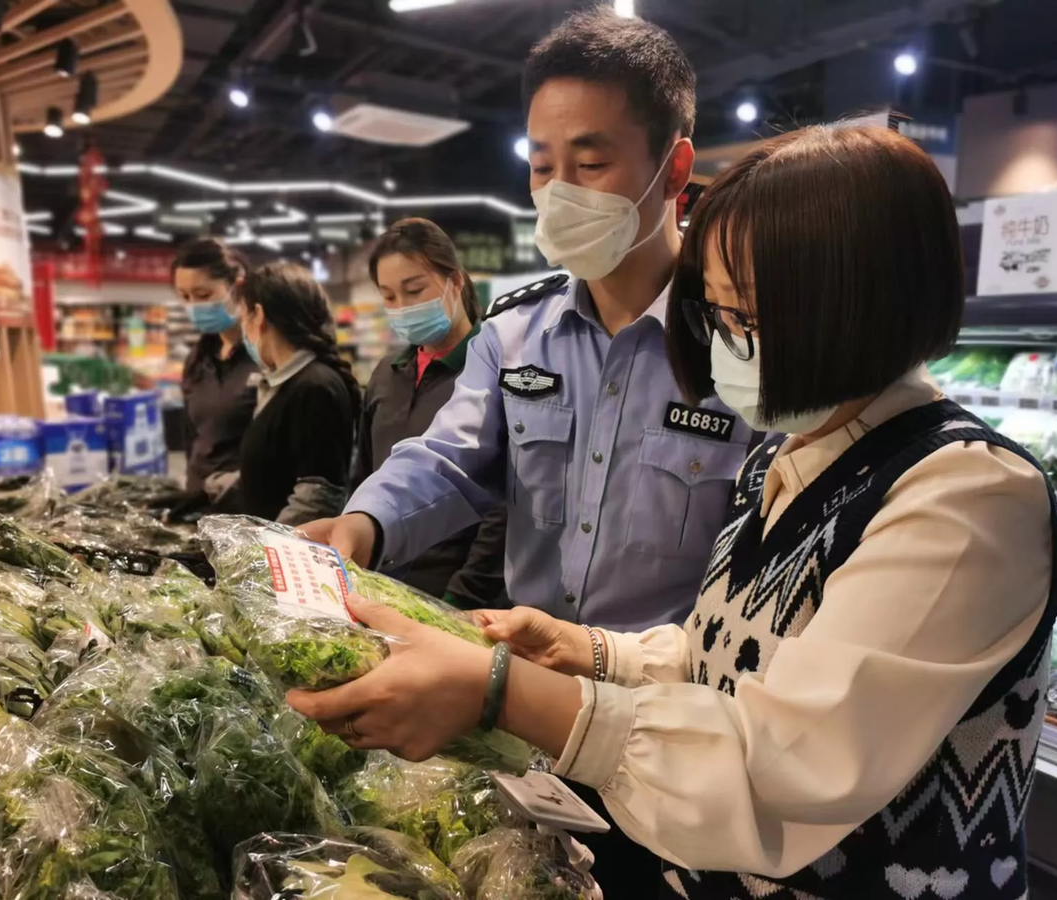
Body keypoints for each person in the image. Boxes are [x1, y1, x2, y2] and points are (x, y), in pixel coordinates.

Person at [288, 124, 1057, 900]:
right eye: (717, 316)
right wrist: (588, 652)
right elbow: (727, 657)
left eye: (748, 320)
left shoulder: (965, 498)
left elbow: (780, 766)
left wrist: (502, 691)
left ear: (865, 306)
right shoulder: (790, 451)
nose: (726, 346)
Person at [302, 12, 752, 895]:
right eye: (542, 165)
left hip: (678, 739)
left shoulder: (742, 340)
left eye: (590, 163)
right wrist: (361, 524)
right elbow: (451, 460)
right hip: (522, 721)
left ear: (676, 167)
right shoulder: (520, 332)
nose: (559, 190)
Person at [360, 218, 508, 610]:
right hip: (381, 586)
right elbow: (364, 474)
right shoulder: (386, 374)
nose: (403, 307)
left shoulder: (496, 370)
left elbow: (507, 503)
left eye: (415, 290)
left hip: (459, 595)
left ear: (455, 281)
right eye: (389, 296)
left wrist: (461, 595)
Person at [235, 261, 362, 526]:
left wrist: (263, 550)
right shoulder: (283, 382)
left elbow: (318, 497)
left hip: (282, 560)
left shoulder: (315, 387)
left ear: (258, 315)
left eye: (242, 317)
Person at [172, 239, 257, 496]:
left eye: (204, 295)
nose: (194, 307)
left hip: (250, 509)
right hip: (200, 503)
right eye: (185, 297)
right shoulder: (198, 359)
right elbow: (192, 438)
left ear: (238, 287)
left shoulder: (267, 357)